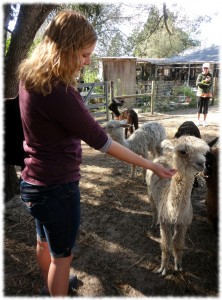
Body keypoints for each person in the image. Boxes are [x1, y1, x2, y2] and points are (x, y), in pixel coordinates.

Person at [17, 10, 176, 296]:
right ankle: (58, 288)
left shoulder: (29, 78)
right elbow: (103, 142)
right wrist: (151, 166)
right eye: (84, 54)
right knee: (62, 258)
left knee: (43, 243)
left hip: (32, 182)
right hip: (57, 188)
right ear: (64, 50)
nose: (88, 61)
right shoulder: (60, 91)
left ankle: (51, 285)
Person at [196, 62, 213, 126]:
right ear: (202, 68)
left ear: (208, 69)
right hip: (200, 94)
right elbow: (197, 84)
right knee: (199, 108)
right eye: (204, 68)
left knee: (206, 108)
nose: (205, 69)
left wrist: (203, 84)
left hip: (207, 94)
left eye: (206, 68)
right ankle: (198, 121)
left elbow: (210, 84)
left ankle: (204, 121)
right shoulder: (200, 75)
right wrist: (205, 81)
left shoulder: (210, 75)